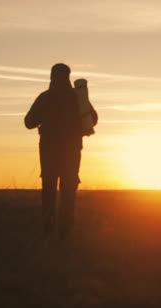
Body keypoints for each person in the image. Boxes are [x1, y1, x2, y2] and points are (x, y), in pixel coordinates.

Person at [24, 63, 98, 239]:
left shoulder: (45, 97)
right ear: (68, 77)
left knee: (49, 190)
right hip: (72, 152)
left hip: (49, 152)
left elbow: (28, 122)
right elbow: (93, 119)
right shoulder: (77, 97)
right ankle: (65, 234)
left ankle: (48, 232)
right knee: (68, 191)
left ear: (51, 76)